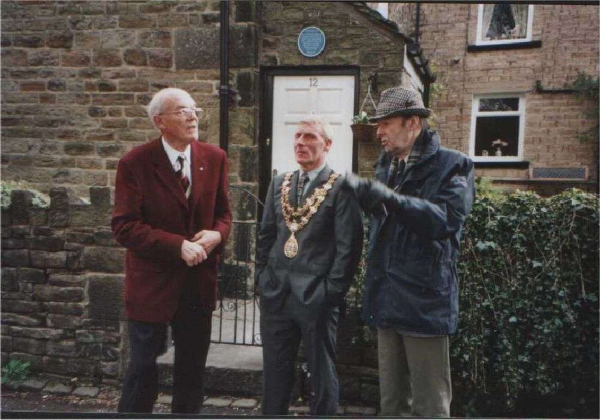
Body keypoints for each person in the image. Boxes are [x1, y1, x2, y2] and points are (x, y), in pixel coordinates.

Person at [343, 86, 475, 417]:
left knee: (430, 406)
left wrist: (388, 198)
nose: (379, 131)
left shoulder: (454, 166)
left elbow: (444, 221)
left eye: (386, 123)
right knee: (391, 405)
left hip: (424, 304)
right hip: (386, 300)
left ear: (412, 123)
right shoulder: (387, 166)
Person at [112, 88, 232, 414]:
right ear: (159, 122)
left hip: (198, 284)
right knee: (142, 371)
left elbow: (224, 214)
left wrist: (217, 235)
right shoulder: (135, 163)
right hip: (151, 287)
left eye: (194, 109)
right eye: (182, 111)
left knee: (192, 373)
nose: (192, 116)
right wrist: (177, 246)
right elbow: (124, 226)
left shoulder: (215, 158)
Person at [256, 116, 363, 415]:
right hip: (276, 294)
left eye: (310, 137)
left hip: (316, 297)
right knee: (274, 374)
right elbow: (266, 235)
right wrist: (262, 279)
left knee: (322, 373)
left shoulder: (342, 188)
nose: (301, 142)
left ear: (327, 144)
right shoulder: (279, 183)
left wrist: (331, 293)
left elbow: (348, 248)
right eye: (298, 136)